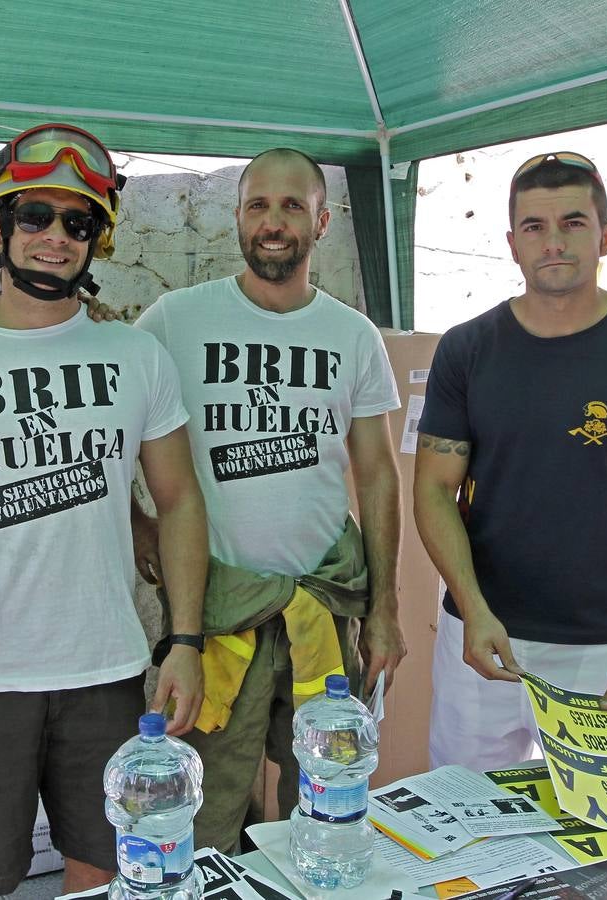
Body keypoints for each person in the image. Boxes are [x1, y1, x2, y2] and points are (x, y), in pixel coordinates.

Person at [0, 123, 207, 899]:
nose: (55, 238)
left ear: (97, 239)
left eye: (78, 222)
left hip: (105, 667)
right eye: (34, 215)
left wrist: (185, 640)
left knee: (105, 872)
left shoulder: (135, 356)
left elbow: (179, 500)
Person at [132, 148, 404, 852]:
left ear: (323, 220)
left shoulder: (351, 335)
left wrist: (384, 608)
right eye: (258, 205)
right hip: (216, 617)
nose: (273, 221)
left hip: (322, 604)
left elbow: (375, 474)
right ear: (237, 218)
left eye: (291, 206)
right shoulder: (174, 320)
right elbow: (109, 440)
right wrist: (138, 528)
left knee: (322, 803)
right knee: (203, 809)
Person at [414, 151, 607, 771]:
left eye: (573, 223)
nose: (553, 242)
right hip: (481, 639)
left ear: (605, 236)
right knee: (466, 832)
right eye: (534, 227)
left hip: (604, 647)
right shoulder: (467, 349)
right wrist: (471, 610)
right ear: (512, 243)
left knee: (605, 842)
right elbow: (432, 489)